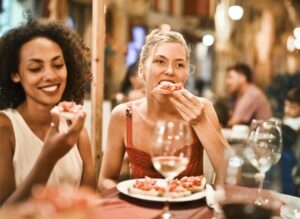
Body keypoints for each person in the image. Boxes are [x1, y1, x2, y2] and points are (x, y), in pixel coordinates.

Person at [98, 26, 230, 191]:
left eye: (179, 65)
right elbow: (105, 180)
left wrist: (201, 122)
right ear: (141, 70)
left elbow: (229, 174)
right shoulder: (123, 115)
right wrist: (130, 194)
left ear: (186, 74)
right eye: (160, 61)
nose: (170, 71)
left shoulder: (202, 108)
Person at [0, 16, 96, 206]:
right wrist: (48, 158)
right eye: (35, 68)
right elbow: (5, 212)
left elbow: (89, 202)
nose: (50, 75)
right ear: (15, 74)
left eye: (58, 65)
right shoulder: (5, 129)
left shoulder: (75, 130)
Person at [225, 63, 272, 127]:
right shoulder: (240, 94)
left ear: (243, 78)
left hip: (262, 135)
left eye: (230, 77)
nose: (227, 82)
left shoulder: (252, 94)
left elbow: (234, 122)